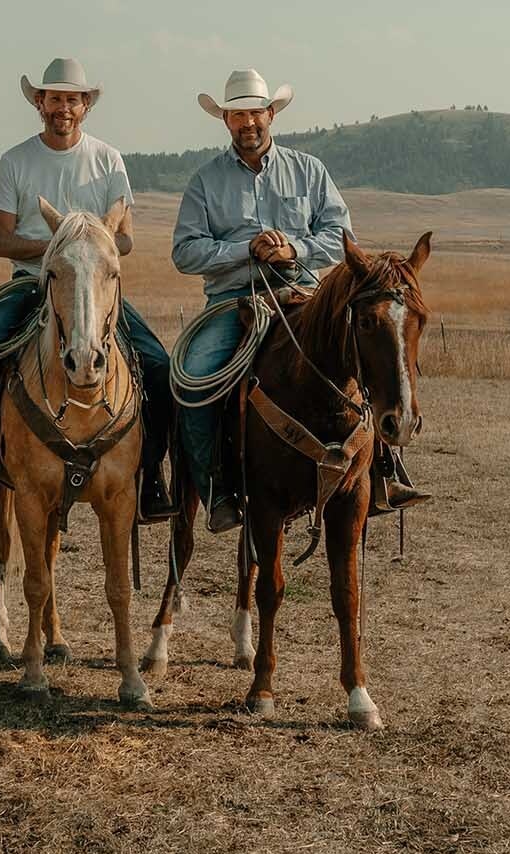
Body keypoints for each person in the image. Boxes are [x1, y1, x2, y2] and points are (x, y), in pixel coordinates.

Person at [171, 68, 430, 533]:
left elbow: (340, 236)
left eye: (255, 112)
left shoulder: (309, 170)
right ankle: (216, 488)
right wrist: (242, 249)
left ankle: (382, 472)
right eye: (236, 115)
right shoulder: (205, 182)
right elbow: (185, 252)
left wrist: (294, 248)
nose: (248, 122)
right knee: (193, 379)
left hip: (303, 292)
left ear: (271, 114)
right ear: (225, 121)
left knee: (363, 352)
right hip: (235, 299)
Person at [0, 58, 174, 520]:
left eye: (72, 99)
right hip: (31, 282)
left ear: (85, 106)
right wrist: (55, 251)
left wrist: (88, 248)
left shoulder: (108, 160)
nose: (62, 107)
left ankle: (151, 471)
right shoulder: (16, 161)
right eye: (54, 99)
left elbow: (124, 237)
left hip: (98, 290)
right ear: (39, 104)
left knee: (159, 365)